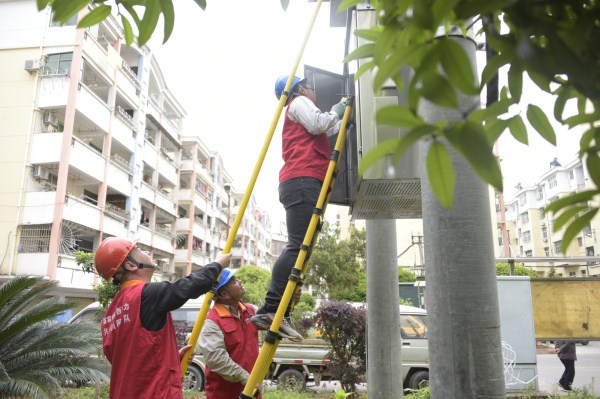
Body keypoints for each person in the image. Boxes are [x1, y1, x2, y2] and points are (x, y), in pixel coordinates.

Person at [250, 75, 346, 342]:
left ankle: (281, 311)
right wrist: (337, 110)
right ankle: (270, 309)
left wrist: (338, 118)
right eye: (311, 87)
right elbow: (319, 123)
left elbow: (324, 129)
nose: (314, 91)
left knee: (302, 248)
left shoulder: (299, 107)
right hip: (302, 180)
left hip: (304, 180)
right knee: (296, 246)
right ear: (300, 89)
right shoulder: (298, 101)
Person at [94, 236, 229, 399]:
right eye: (137, 250)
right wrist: (218, 264)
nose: (144, 252)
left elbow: (131, 361)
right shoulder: (146, 294)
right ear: (130, 265)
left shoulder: (110, 315)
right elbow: (190, 286)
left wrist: (170, 358)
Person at [198, 269, 262, 399]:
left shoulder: (250, 311)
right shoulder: (212, 323)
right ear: (224, 294)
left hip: (252, 389)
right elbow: (217, 360)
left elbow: (274, 321)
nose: (239, 282)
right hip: (225, 393)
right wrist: (246, 378)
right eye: (234, 281)